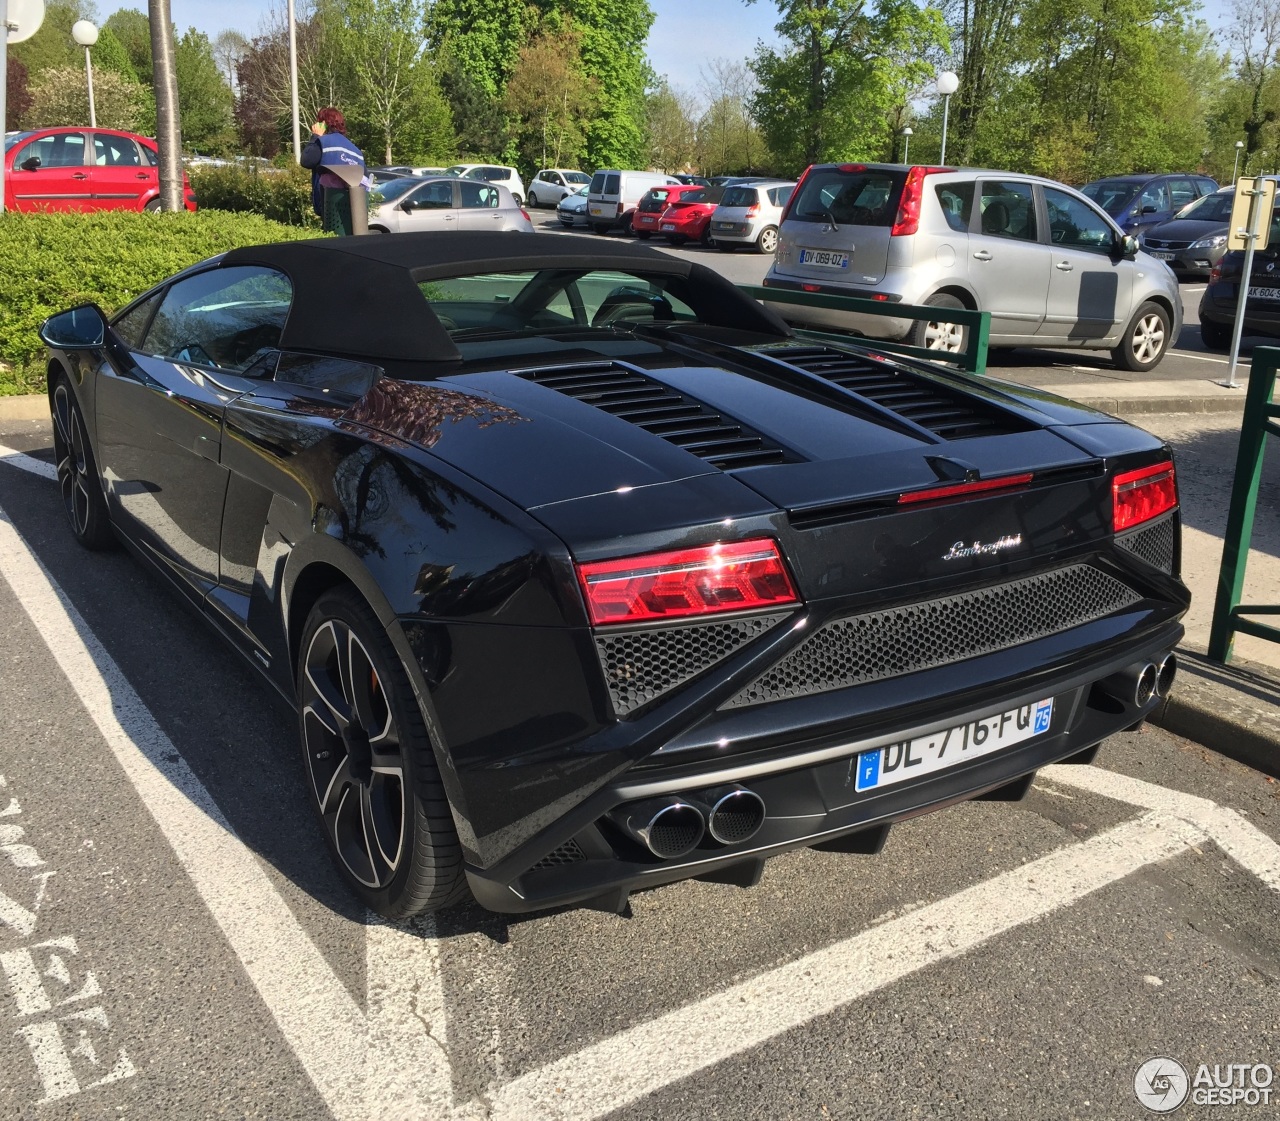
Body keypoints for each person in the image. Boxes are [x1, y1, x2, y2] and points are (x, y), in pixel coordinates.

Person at [300, 107, 366, 236]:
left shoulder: (323, 142)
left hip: (329, 208)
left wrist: (315, 137)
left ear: (323, 123)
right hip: (354, 211)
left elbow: (306, 161)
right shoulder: (356, 150)